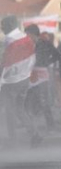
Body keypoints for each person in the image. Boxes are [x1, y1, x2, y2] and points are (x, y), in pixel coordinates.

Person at [0, 16, 40, 146]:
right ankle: (34, 133)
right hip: (24, 80)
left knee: (9, 109)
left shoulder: (9, 40)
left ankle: (12, 139)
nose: (2, 28)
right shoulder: (26, 38)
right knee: (19, 109)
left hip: (11, 81)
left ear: (9, 25)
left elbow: (5, 61)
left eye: (3, 26)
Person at [24, 25, 59, 131]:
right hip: (31, 75)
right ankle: (32, 126)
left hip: (42, 75)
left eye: (28, 34)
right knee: (29, 100)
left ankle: (50, 125)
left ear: (34, 34)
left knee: (43, 101)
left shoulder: (45, 43)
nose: (27, 36)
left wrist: (46, 63)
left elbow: (57, 55)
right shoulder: (27, 45)